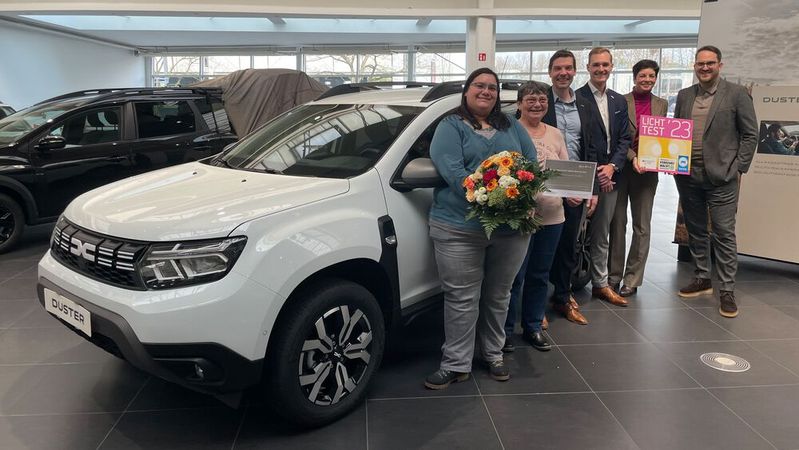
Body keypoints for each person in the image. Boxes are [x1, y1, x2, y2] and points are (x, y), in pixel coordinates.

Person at [425, 67, 538, 389]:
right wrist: (490, 199)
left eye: (492, 87)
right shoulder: (450, 126)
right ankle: (455, 363)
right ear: (467, 90)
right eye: (479, 85)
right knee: (461, 297)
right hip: (458, 227)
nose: (486, 91)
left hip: (512, 229)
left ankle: (493, 353)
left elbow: (529, 163)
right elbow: (452, 170)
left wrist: (521, 195)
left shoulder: (512, 125)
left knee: (499, 294)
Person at [673, 45, 758, 318]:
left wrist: (738, 168)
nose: (705, 68)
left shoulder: (736, 94)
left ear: (720, 65)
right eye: (700, 64)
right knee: (696, 230)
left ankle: (727, 291)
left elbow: (750, 134)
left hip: (722, 177)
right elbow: (676, 135)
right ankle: (702, 277)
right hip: (688, 176)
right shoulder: (685, 95)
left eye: (710, 63)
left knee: (723, 233)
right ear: (695, 67)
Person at [503, 81, 568, 352]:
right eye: (530, 99)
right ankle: (505, 333)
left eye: (542, 99)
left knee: (540, 274)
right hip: (521, 216)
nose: (537, 104)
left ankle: (532, 326)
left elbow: (566, 170)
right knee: (513, 277)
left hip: (553, 215)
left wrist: (576, 192)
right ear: (519, 103)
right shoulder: (508, 131)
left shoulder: (555, 133)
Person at [543, 49, 598, 326]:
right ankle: (536, 305)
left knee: (569, 247)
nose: (563, 73)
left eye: (568, 68)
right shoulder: (541, 103)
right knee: (541, 248)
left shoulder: (586, 105)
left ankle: (562, 298)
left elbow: (593, 147)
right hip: (544, 186)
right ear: (550, 72)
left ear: (575, 71)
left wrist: (592, 189)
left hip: (575, 185)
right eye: (557, 68)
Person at [576, 47, 631, 307]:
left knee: (601, 234)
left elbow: (624, 139)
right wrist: (599, 171)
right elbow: (583, 142)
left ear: (611, 67)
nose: (601, 69)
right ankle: (564, 290)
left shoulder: (619, 101)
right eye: (596, 64)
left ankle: (600, 284)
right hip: (586, 175)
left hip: (611, 175)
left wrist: (612, 167)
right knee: (574, 234)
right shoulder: (577, 98)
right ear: (588, 67)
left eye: (605, 65)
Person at [608, 59, 668, 297]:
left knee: (642, 226)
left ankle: (632, 279)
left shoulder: (662, 104)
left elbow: (665, 138)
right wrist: (633, 157)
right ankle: (613, 276)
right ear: (635, 77)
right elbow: (618, 136)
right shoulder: (621, 101)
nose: (647, 80)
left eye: (652, 76)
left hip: (648, 173)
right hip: (623, 169)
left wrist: (666, 159)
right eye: (643, 75)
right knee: (618, 223)